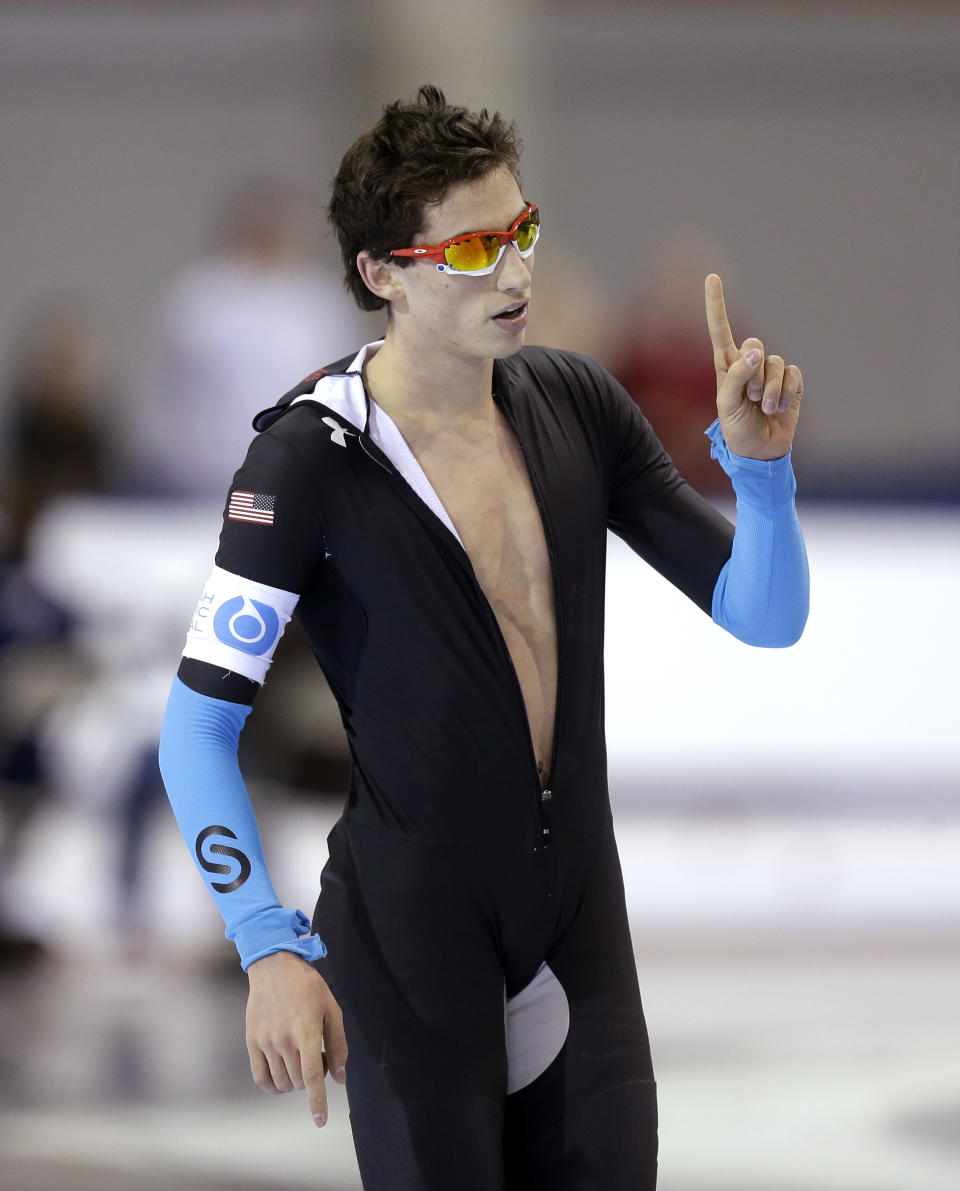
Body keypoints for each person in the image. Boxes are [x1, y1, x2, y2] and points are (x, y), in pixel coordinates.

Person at [159, 85, 809, 1190]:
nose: (515, 273)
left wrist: (761, 470)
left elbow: (764, 615)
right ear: (383, 274)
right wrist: (267, 943)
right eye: (471, 247)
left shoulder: (575, 403)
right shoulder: (307, 459)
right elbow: (195, 729)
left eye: (522, 232)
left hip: (574, 914)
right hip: (413, 935)